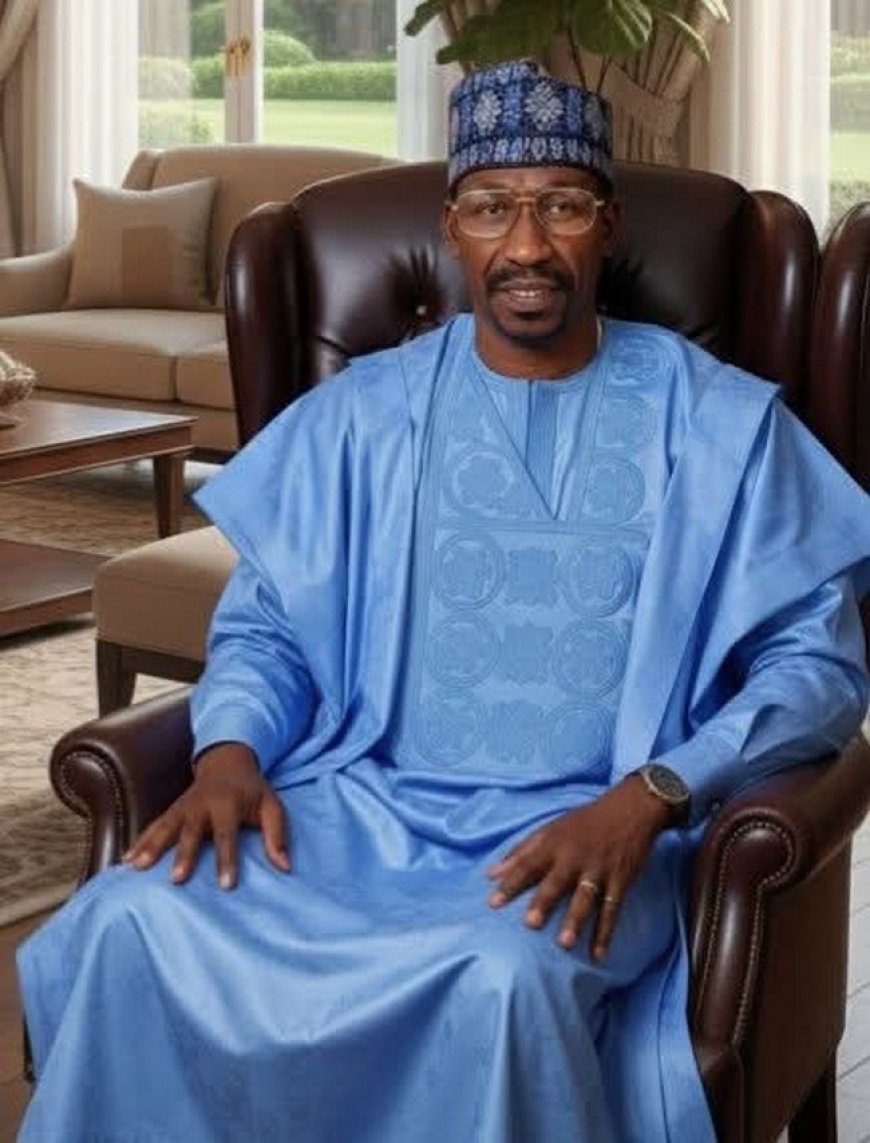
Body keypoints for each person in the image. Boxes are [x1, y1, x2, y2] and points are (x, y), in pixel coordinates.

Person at [17, 59, 870, 1141]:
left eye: (562, 206)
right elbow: (269, 631)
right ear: (452, 229)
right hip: (360, 804)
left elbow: (819, 669)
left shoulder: (720, 426)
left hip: (594, 831)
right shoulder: (365, 414)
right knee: (130, 917)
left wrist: (656, 793)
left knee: (500, 976)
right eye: (492, 208)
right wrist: (228, 754)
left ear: (607, 226)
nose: (527, 245)